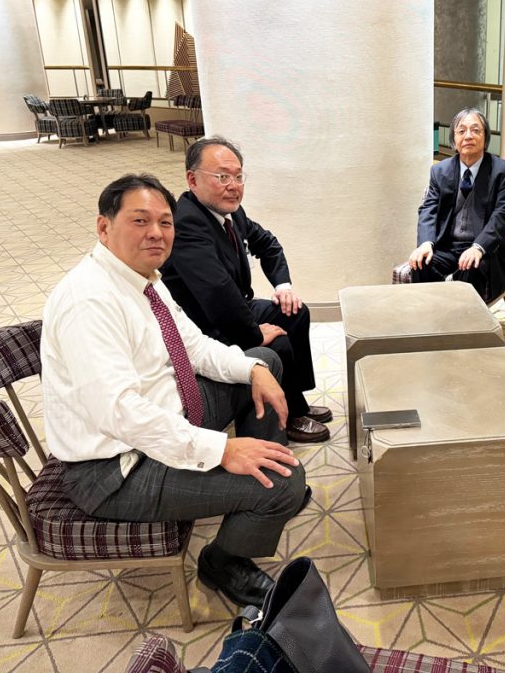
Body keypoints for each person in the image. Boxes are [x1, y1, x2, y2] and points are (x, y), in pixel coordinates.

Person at [41, 173, 308, 607]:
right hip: (116, 469)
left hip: (169, 413)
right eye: (140, 221)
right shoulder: (89, 301)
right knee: (284, 484)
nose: (156, 233)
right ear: (104, 227)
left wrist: (251, 368)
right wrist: (221, 449)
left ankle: (253, 484)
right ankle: (224, 561)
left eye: (165, 222)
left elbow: (194, 347)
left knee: (264, 362)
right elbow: (120, 413)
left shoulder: (143, 278)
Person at [160, 136, 330, 444]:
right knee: (276, 344)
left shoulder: (231, 212)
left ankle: (296, 402)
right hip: (205, 325)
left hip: (233, 307)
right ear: (192, 179)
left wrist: (283, 286)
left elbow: (268, 243)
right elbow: (217, 292)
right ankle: (289, 417)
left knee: (294, 312)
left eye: (238, 177)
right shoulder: (186, 223)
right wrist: (254, 334)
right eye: (222, 176)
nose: (233, 186)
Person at [408, 107, 505, 300]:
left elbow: (502, 217)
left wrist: (478, 247)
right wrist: (425, 243)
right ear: (454, 139)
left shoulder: (503, 172)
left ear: (485, 137)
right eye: (461, 131)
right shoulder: (440, 171)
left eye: (475, 130)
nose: (468, 136)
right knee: (421, 263)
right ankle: (429, 313)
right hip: (447, 247)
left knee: (471, 267)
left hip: (486, 251)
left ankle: (464, 318)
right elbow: (428, 210)